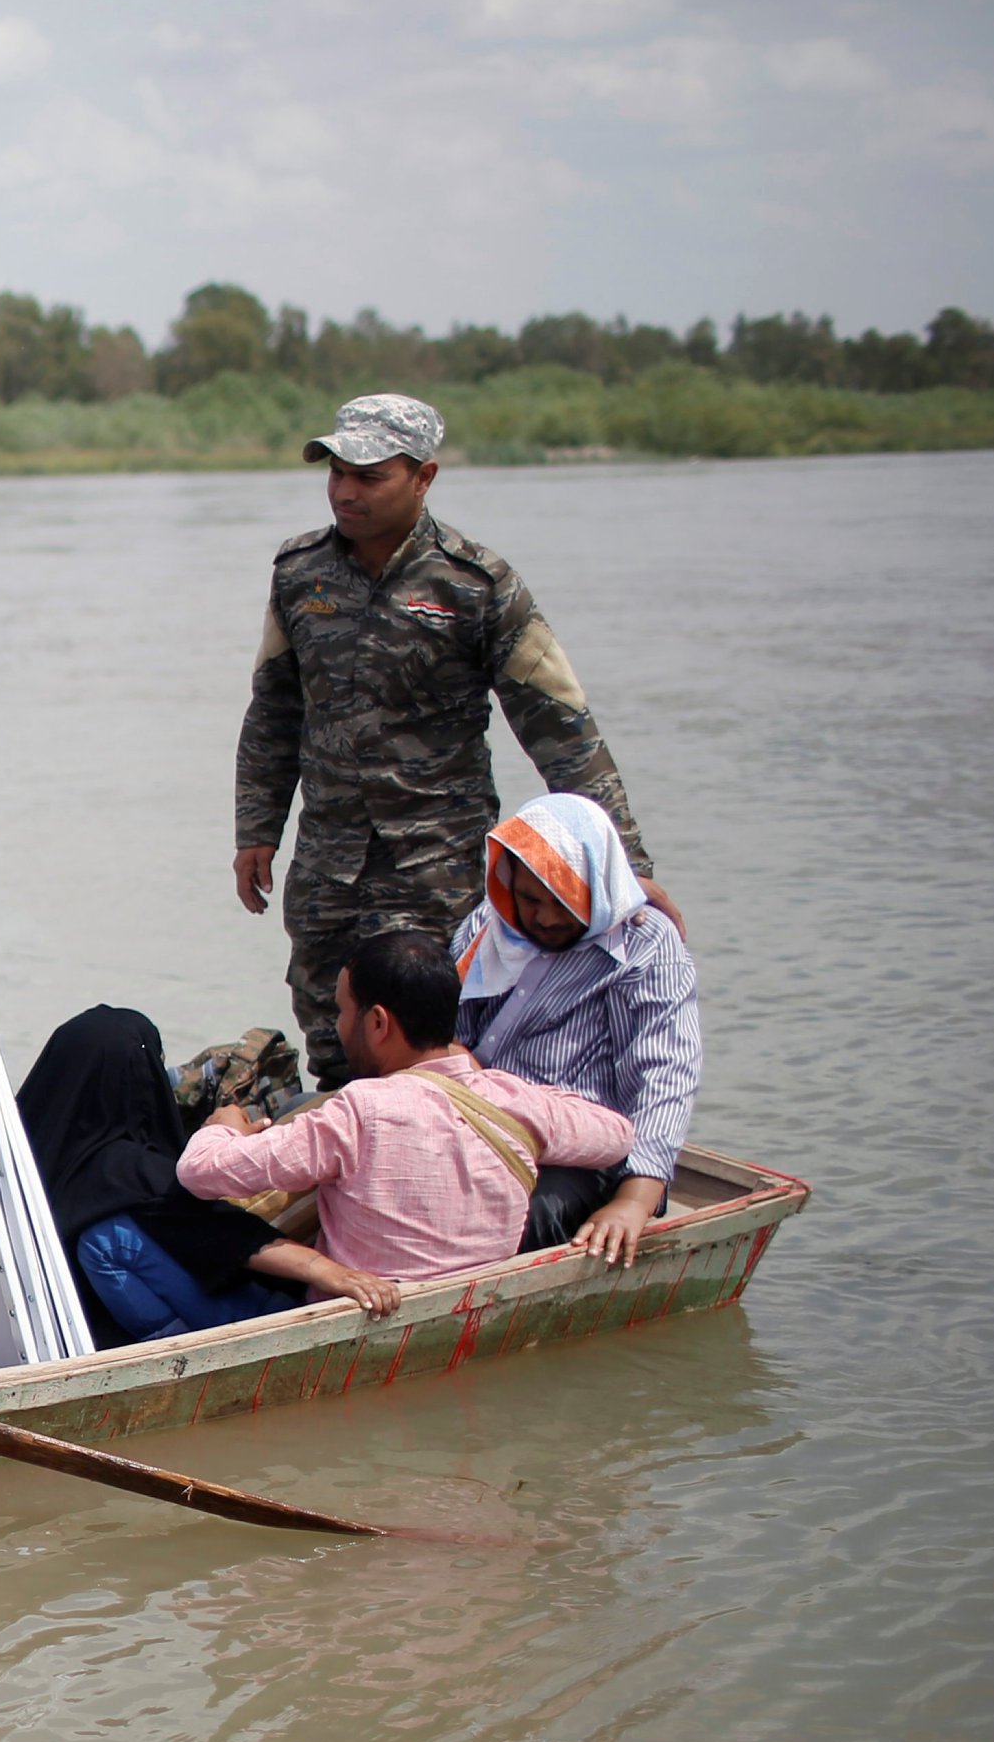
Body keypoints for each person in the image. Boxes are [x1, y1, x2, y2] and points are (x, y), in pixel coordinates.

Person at [233, 393, 680, 1088]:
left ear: (424, 477)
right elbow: (275, 709)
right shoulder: (300, 574)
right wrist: (257, 826)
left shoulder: (477, 585)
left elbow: (558, 724)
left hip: (435, 867)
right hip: (327, 864)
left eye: (369, 477)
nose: (346, 492)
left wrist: (625, 860)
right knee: (333, 1034)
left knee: (430, 1044)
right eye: (336, 473)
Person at [176, 928, 637, 1289]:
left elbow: (199, 1172)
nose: (338, 1026)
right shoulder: (513, 1101)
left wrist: (224, 1127)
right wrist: (525, 1095)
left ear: (377, 1022)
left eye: (342, 1011)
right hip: (469, 1296)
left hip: (361, 1310)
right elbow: (617, 1135)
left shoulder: (359, 1112)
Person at [17, 1004, 405, 1345]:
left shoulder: (22, 1161)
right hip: (172, 1329)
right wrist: (332, 1274)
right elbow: (225, 1236)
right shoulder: (129, 1170)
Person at [451, 791, 703, 1265]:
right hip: (480, 1123)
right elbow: (448, 1035)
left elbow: (664, 1076)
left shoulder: (646, 943)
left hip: (583, 1154)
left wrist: (633, 1202)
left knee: (532, 1216)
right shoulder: (488, 925)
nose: (544, 918)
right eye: (530, 899)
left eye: (562, 902)